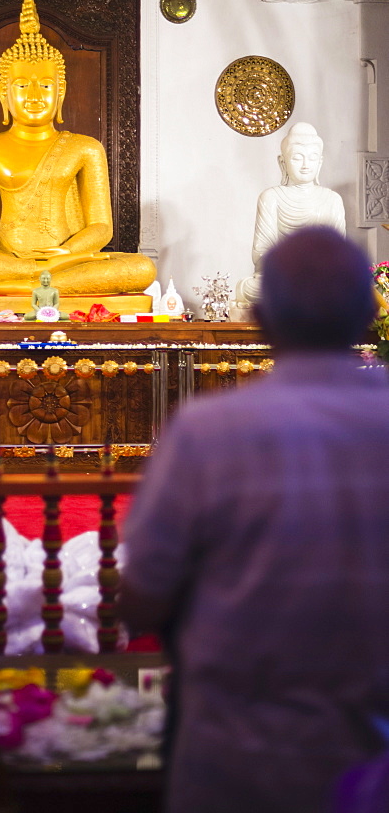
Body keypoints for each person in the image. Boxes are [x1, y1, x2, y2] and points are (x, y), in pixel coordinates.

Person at [120, 226, 389, 813]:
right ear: (372, 314)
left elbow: (141, 598)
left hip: (232, 754)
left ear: (260, 318)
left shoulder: (208, 432)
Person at [0, 0, 155, 299]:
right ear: (4, 94)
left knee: (141, 269)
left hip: (68, 260)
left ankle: (19, 287)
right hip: (7, 259)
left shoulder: (85, 148)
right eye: (21, 86)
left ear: (61, 94)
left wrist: (67, 253)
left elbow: (102, 228)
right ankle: (32, 280)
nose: (34, 95)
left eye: (45, 86)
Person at [237, 122, 346, 305]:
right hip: (282, 279)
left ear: (320, 162)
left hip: (320, 280)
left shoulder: (332, 199)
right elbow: (261, 254)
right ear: (283, 162)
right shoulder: (271, 197)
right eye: (297, 158)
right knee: (248, 287)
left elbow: (341, 255)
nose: (305, 165)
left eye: (312, 158)